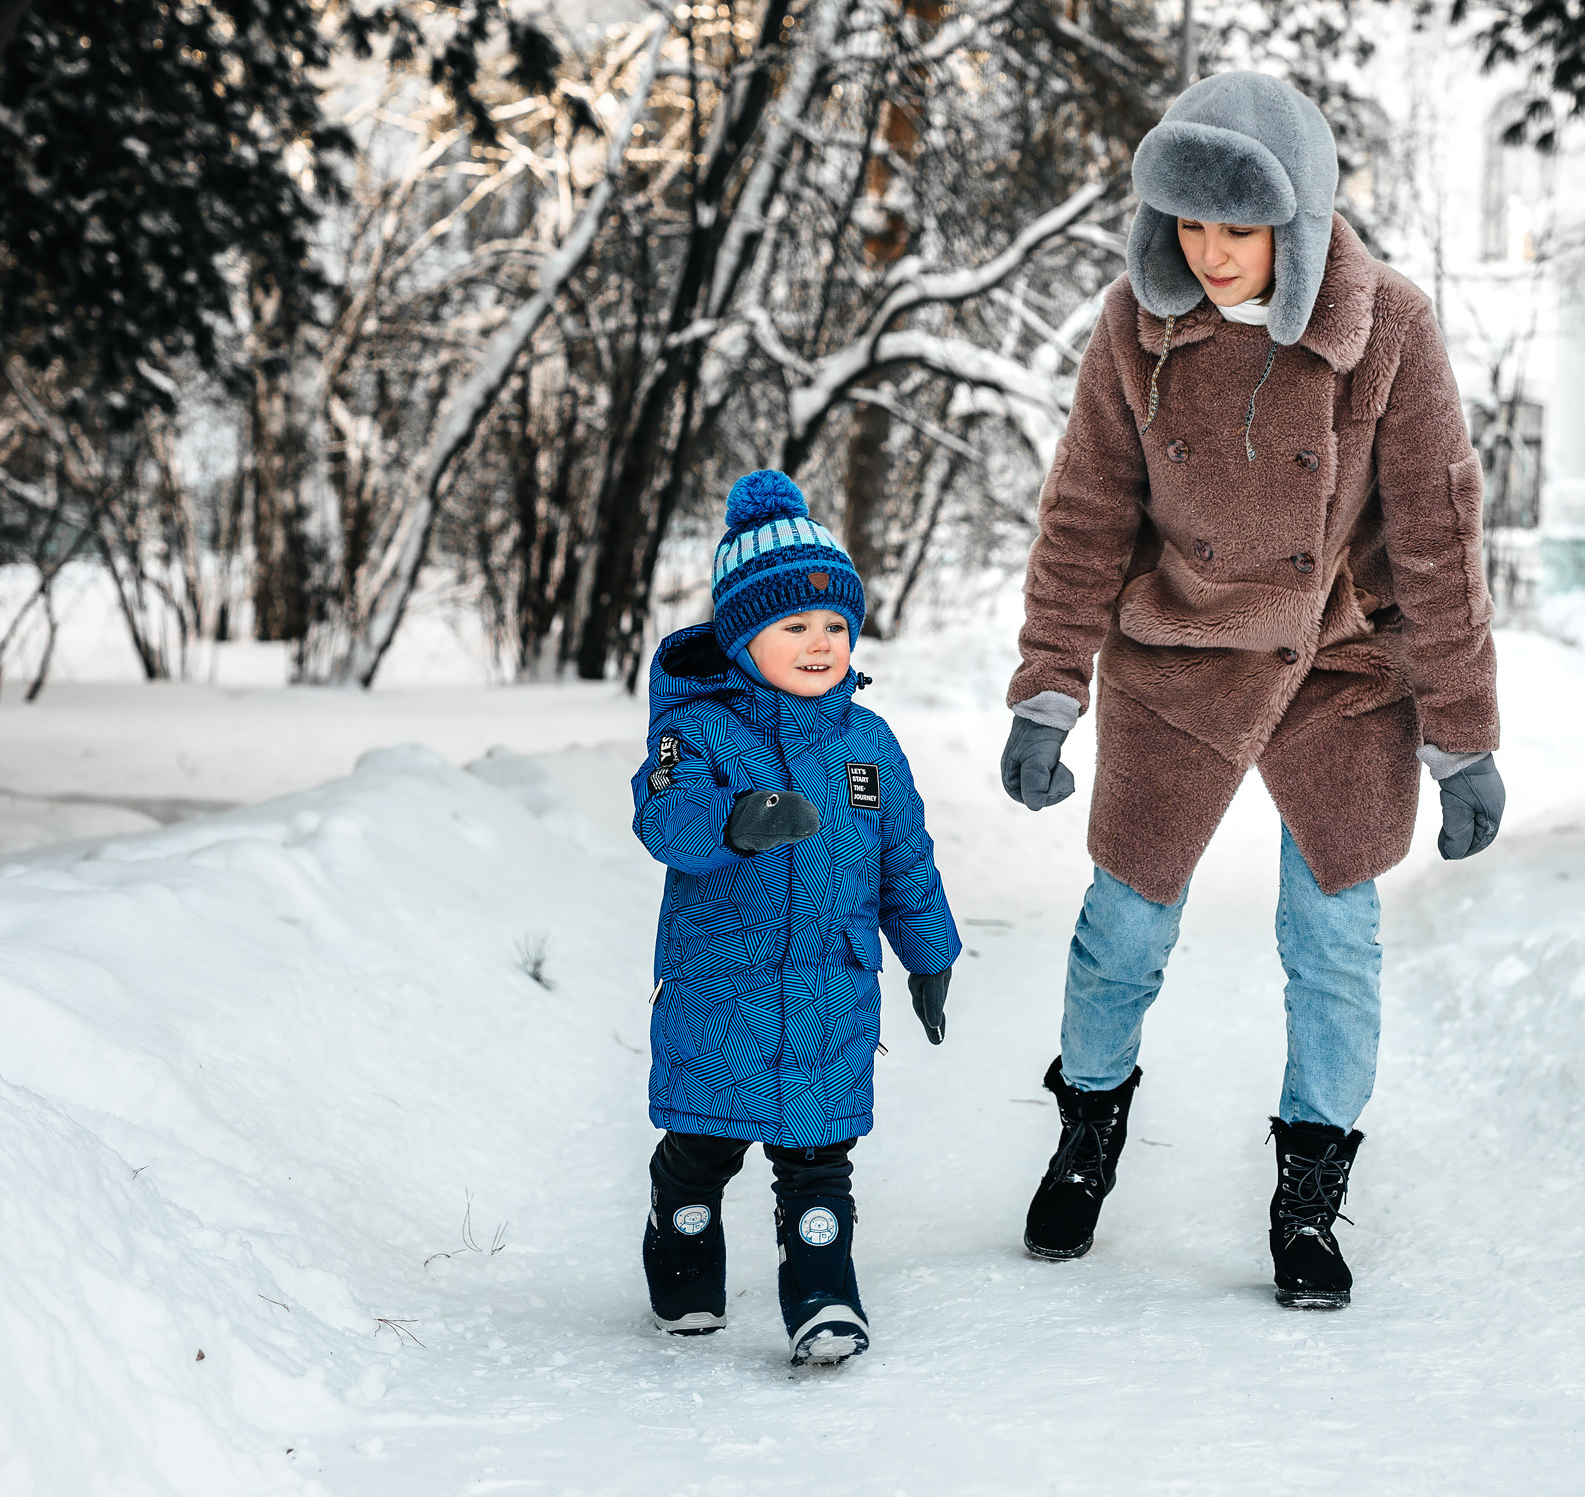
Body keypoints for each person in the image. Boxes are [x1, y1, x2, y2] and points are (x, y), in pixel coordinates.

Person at [1001, 70, 1506, 1309]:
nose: (1212, 253)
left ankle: (1311, 1197)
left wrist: (1463, 734)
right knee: (1124, 928)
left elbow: (1437, 539)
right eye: (1189, 223)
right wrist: (1047, 687)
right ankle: (1089, 1127)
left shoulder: (1386, 326)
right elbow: (1086, 515)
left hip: (1337, 668)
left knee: (1333, 939)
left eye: (1240, 227)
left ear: (1298, 217)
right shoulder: (1134, 326)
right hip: (1175, 662)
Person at [631, 469, 959, 1363]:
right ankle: (682, 1232)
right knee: (704, 1142)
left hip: (831, 988)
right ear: (743, 637)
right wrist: (732, 822)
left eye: (835, 626)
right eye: (794, 626)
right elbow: (663, 817)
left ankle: (822, 1295)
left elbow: (906, 859)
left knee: (818, 1163)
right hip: (721, 984)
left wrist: (930, 951)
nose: (820, 643)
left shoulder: (870, 744)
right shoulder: (696, 731)